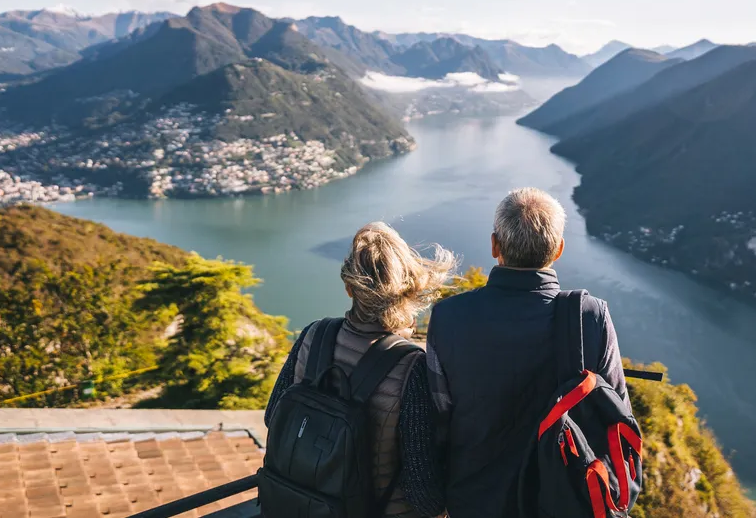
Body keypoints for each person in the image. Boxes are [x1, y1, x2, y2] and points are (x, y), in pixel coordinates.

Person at [425, 188, 627, 518]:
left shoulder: (448, 317)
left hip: (474, 501)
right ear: (559, 250)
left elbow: (438, 417)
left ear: (494, 245)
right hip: (563, 502)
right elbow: (616, 413)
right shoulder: (590, 317)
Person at [264, 221, 450, 518]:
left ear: (349, 288)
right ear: (409, 288)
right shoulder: (412, 366)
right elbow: (422, 493)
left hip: (304, 505)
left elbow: (273, 416)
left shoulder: (314, 335)